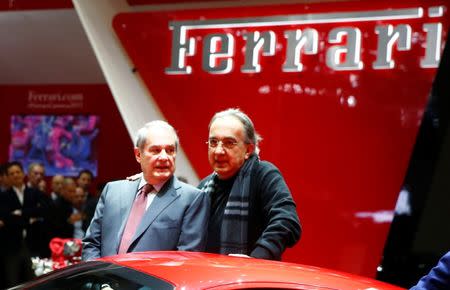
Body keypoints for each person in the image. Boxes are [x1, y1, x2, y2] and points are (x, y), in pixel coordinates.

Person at [82, 120, 209, 260]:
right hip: (105, 280)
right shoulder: (112, 190)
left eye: (170, 150)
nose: (164, 157)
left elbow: (186, 259)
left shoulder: (192, 199)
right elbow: (92, 244)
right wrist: (97, 279)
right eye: (156, 150)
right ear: (138, 154)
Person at [199, 108, 301, 260]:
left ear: (249, 149)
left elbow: (287, 222)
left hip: (252, 279)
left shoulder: (263, 174)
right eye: (213, 142)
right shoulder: (203, 187)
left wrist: (256, 260)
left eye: (229, 143)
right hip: (210, 277)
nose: (218, 151)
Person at [0, 161, 48, 287]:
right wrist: (30, 218)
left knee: (36, 281)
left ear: (23, 173)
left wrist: (20, 213)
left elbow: (43, 210)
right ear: (8, 177)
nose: (15, 175)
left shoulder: (35, 193)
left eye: (18, 172)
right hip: (12, 247)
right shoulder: (3, 196)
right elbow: (7, 219)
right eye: (12, 173)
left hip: (33, 244)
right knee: (13, 282)